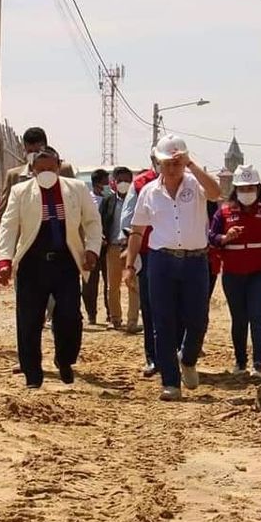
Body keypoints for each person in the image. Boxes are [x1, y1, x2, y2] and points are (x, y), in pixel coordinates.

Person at [124, 135, 222, 401]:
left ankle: (187, 359)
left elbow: (216, 192)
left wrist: (191, 165)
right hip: (161, 261)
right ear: (158, 163)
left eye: (177, 162)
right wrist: (129, 264)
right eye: (166, 163)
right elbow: (137, 231)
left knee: (198, 319)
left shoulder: (196, 185)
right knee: (162, 322)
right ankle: (170, 382)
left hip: (195, 260)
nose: (171, 168)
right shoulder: (149, 192)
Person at [0, 147, 102, 388]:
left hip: (65, 262)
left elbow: (92, 221)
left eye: (50, 168)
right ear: (33, 170)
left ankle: (64, 359)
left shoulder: (76, 189)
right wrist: (4, 260)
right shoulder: (20, 191)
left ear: (58, 166)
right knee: (29, 320)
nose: (46, 172)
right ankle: (32, 374)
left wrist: (92, 249)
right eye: (40, 168)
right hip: (32, 263)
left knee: (69, 316)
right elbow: (8, 226)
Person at [209, 165, 261, 377]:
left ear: (258, 188)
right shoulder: (224, 212)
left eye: (250, 188)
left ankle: (258, 364)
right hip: (233, 274)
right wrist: (225, 238)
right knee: (239, 318)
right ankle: (240, 362)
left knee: (258, 316)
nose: (246, 192)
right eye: (242, 188)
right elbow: (211, 237)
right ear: (235, 189)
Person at [0, 126, 74, 262]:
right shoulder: (14, 176)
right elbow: (3, 213)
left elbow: (76, 205)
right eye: (30, 151)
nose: (33, 155)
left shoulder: (64, 170)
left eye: (37, 151)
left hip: (60, 244)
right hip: (26, 247)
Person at [120, 159, 160, 376]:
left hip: (182, 253)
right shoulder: (141, 184)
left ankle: (177, 353)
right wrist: (129, 249)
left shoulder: (189, 182)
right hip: (148, 252)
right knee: (150, 306)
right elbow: (128, 219)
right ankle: (153, 357)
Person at [100, 166, 140, 333]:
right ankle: (115, 319)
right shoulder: (108, 201)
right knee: (113, 286)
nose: (124, 183)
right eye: (120, 180)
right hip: (113, 248)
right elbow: (101, 221)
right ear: (114, 182)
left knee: (133, 285)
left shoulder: (137, 200)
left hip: (132, 248)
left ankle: (132, 322)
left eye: (127, 180)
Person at [83, 168, 110, 325]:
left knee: (109, 282)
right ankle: (91, 314)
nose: (108, 185)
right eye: (106, 182)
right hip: (91, 246)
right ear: (98, 182)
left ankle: (110, 313)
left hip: (107, 247)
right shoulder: (88, 200)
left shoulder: (110, 199)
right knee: (90, 282)